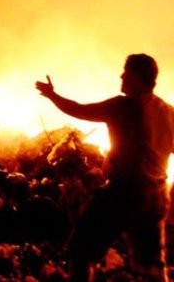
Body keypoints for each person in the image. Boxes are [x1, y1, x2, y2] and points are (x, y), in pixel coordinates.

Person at [35, 54, 174, 282]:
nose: (121, 76)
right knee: (152, 267)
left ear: (139, 77)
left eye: (126, 72)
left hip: (124, 193)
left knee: (81, 249)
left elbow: (79, 110)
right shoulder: (168, 111)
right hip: (157, 196)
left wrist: (52, 95)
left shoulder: (123, 106)